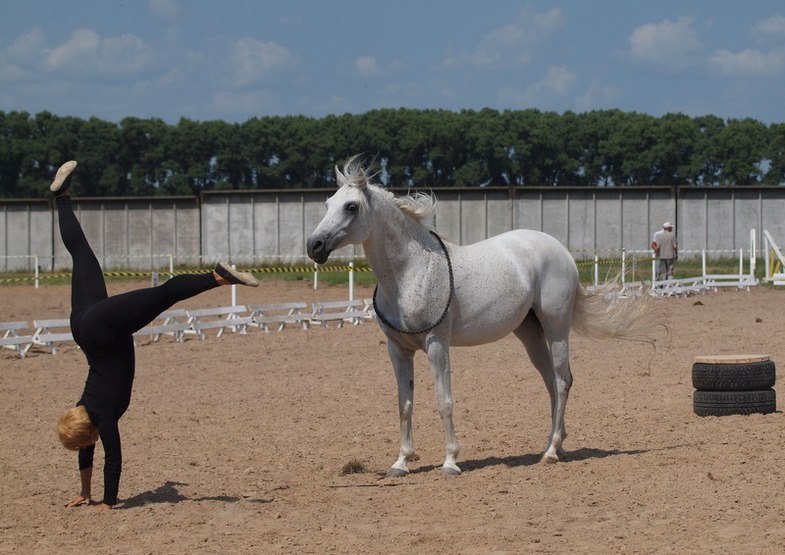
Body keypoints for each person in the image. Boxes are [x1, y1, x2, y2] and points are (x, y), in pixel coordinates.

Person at [52, 160, 259, 510]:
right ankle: (62, 197)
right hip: (83, 329)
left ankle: (219, 277)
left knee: (164, 295)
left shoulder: (102, 418)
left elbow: (113, 460)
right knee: (82, 255)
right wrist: (85, 493)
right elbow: (87, 451)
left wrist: (108, 501)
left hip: (105, 331)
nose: (90, 446)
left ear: (89, 432)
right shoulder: (84, 409)